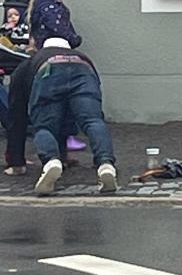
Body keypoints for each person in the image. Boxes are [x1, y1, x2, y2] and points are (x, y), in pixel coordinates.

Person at [6, 38, 117, 195]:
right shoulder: (82, 57)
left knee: (45, 126)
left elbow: (16, 114)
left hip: (48, 72)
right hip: (84, 71)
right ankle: (105, 164)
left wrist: (16, 161)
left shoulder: (32, 61)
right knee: (93, 121)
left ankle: (51, 161)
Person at [26, 0, 87, 152]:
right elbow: (60, 28)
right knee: (65, 95)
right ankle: (65, 135)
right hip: (58, 53)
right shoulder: (51, 7)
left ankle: (56, 135)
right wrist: (74, 39)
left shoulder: (38, 5)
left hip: (44, 54)